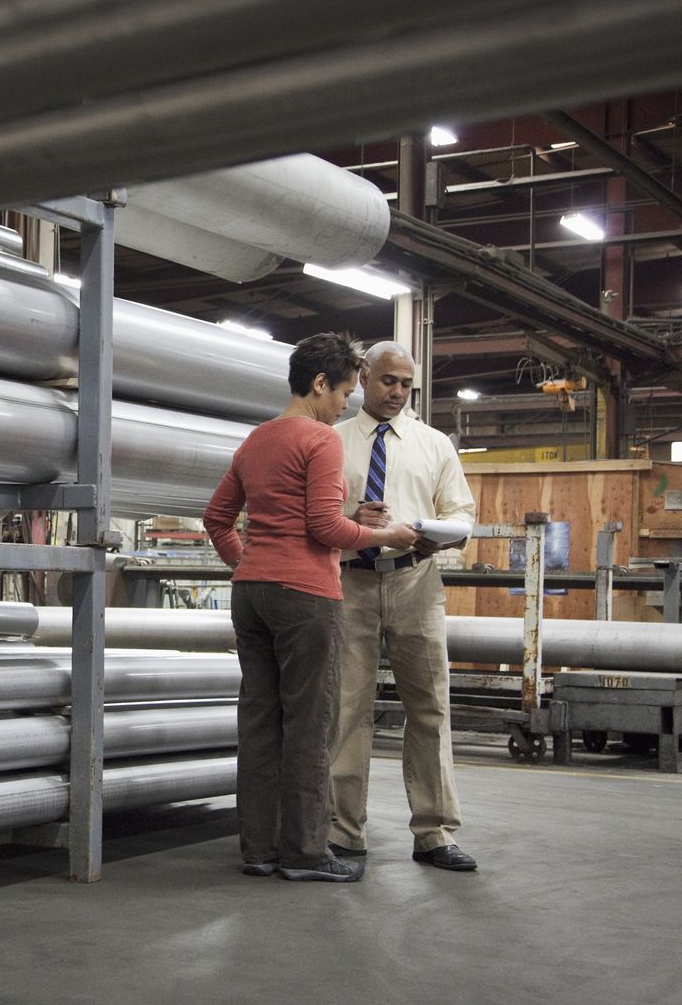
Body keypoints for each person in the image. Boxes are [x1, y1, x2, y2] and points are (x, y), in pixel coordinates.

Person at [204, 332, 416, 883]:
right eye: (344, 392)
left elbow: (216, 518)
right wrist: (388, 533)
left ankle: (259, 848)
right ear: (319, 384)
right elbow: (325, 528)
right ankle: (304, 852)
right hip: (305, 597)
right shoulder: (321, 441)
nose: (345, 403)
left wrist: (249, 563)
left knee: (258, 722)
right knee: (309, 724)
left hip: (251, 595)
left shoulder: (256, 440)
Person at [328, 340, 479, 872]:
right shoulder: (331, 441)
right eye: (388, 381)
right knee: (347, 706)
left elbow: (461, 511)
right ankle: (342, 831)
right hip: (350, 583)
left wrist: (443, 536)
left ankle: (435, 832)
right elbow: (315, 516)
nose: (396, 392)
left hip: (417, 582)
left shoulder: (435, 444)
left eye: (406, 385)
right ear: (364, 375)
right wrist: (353, 519)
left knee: (431, 707)